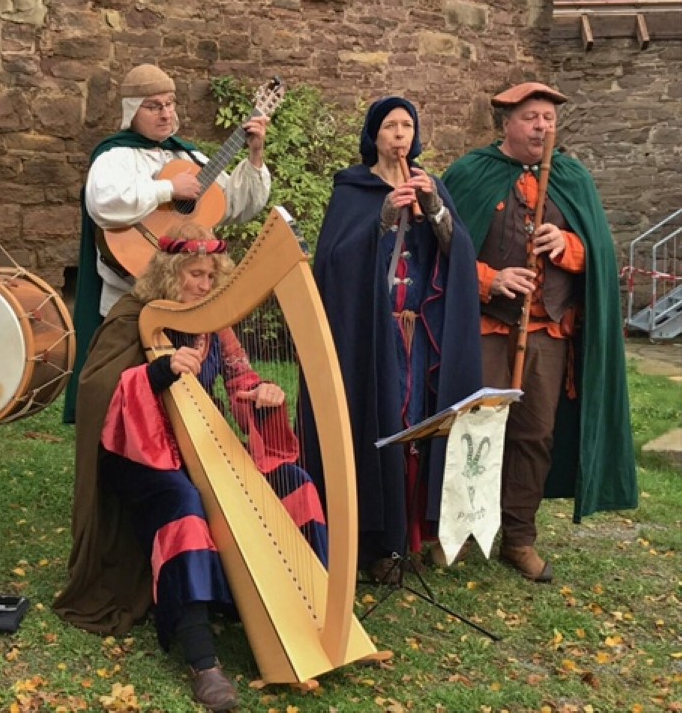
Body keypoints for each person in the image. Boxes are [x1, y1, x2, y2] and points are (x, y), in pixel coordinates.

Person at [53, 222, 327, 712]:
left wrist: (263, 395)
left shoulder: (213, 325)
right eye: (193, 274)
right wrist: (157, 371)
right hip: (137, 451)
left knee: (294, 481)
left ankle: (319, 619)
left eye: (210, 276)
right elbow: (99, 393)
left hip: (200, 442)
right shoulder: (133, 317)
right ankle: (204, 663)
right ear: (168, 274)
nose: (203, 285)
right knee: (183, 501)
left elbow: (241, 383)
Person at [442, 82, 637, 582]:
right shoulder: (471, 173)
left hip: (547, 331)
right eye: (531, 117)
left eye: (548, 118)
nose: (542, 127)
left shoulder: (572, 177)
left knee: (535, 434)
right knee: (475, 429)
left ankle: (519, 537)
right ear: (506, 122)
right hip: (488, 325)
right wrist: (491, 279)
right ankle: (461, 532)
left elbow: (599, 254)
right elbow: (442, 247)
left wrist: (567, 243)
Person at [301, 96, 482, 584]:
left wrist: (436, 210)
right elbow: (334, 263)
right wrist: (381, 218)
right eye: (389, 126)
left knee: (417, 424)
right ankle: (379, 542)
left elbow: (458, 252)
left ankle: (414, 537)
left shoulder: (432, 185)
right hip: (371, 334)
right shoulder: (352, 188)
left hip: (418, 331)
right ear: (373, 136)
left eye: (407, 125)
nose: (399, 134)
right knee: (380, 420)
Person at [63, 63, 272, 423]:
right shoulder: (115, 156)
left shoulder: (188, 157)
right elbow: (104, 204)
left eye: (171, 104)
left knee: (187, 405)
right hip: (133, 300)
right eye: (154, 106)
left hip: (188, 304)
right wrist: (168, 190)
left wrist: (254, 156)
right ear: (132, 111)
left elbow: (237, 205)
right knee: (131, 406)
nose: (165, 113)